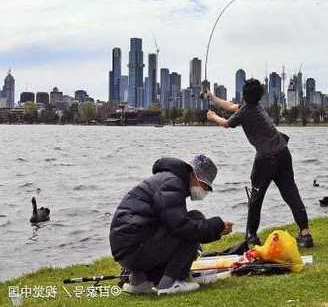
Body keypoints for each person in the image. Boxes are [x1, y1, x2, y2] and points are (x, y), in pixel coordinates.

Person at [205, 79, 313, 248]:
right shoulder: (257, 106)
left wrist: (213, 117)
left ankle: (251, 237)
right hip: (283, 153)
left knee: (256, 198)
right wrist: (213, 97)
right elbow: (231, 106)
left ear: (244, 95)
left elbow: (226, 123)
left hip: (266, 158)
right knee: (291, 193)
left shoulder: (246, 111)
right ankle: (305, 235)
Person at [109, 154, 233, 295]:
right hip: (136, 249)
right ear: (194, 175)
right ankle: (171, 283)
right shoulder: (173, 184)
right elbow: (181, 227)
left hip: (127, 250)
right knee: (195, 220)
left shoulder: (166, 180)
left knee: (187, 223)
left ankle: (140, 282)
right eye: (205, 185)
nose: (204, 191)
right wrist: (216, 226)